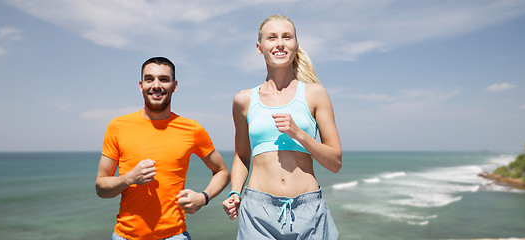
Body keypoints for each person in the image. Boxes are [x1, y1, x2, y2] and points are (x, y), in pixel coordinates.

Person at [222, 15, 342, 240]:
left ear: (296, 45)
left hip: (309, 212)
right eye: (271, 38)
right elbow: (242, 155)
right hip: (258, 213)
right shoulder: (243, 100)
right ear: (260, 47)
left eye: (287, 37)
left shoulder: (315, 94)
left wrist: (299, 134)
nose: (279, 43)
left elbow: (335, 162)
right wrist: (235, 192)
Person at [96, 57, 230, 240]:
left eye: (164, 79)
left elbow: (222, 171)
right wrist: (129, 178)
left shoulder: (191, 129)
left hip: (174, 236)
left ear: (174, 86)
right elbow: (101, 188)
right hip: (125, 236)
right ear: (141, 85)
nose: (156, 85)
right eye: (149, 79)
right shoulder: (118, 126)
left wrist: (203, 198)